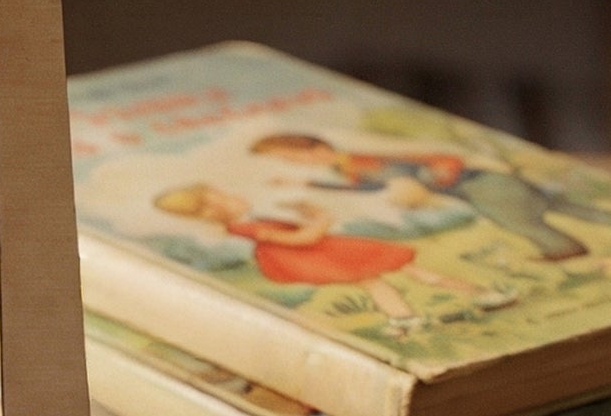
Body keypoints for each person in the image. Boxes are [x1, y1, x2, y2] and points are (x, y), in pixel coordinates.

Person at [153, 183, 506, 333]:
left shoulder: (253, 221)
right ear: (213, 208)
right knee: (396, 273)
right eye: (223, 197)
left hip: (324, 251)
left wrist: (307, 210)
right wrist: (320, 219)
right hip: (318, 253)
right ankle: (476, 294)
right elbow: (302, 238)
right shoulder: (247, 229)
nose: (233, 196)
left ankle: (406, 318)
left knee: (383, 278)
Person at [252, 132, 611, 264]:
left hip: (483, 185)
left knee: (520, 220)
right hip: (482, 186)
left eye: (295, 159)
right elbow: (373, 187)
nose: (297, 165)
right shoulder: (352, 168)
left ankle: (566, 250)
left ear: (316, 148)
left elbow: (421, 166)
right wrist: (315, 187)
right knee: (560, 207)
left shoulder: (363, 157)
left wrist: (428, 181)